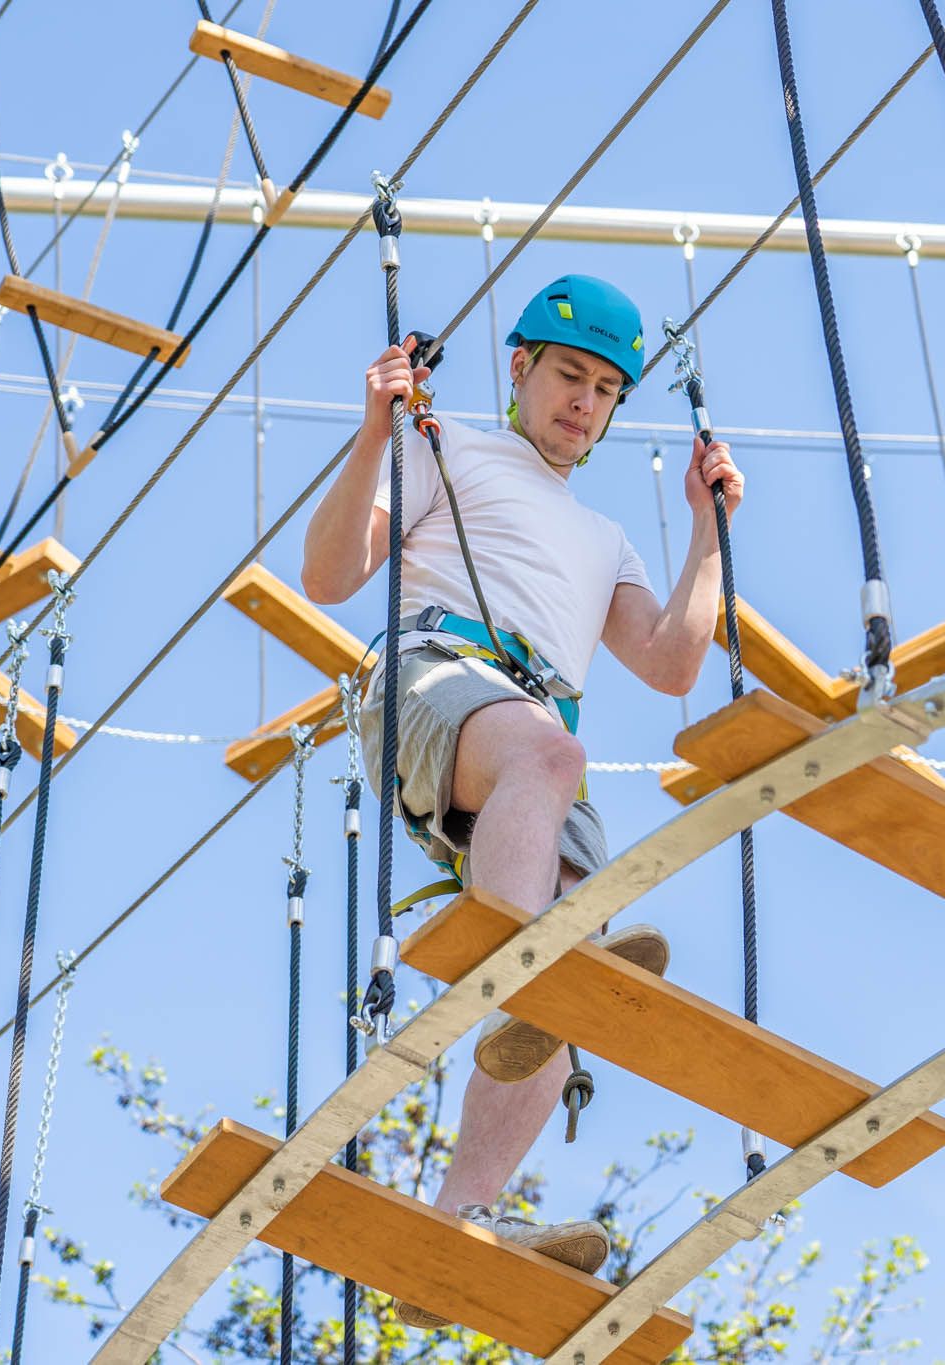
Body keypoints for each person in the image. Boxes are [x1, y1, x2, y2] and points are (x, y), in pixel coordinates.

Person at [300, 274, 743, 1314]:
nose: (581, 403)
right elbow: (328, 576)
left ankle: (459, 1217)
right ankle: (516, 965)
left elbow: (671, 663)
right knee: (551, 779)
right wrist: (375, 431)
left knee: (574, 979)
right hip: (437, 684)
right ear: (519, 369)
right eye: (565, 376)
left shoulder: (607, 542)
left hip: (529, 742)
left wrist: (708, 528)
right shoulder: (440, 445)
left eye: (602, 390)